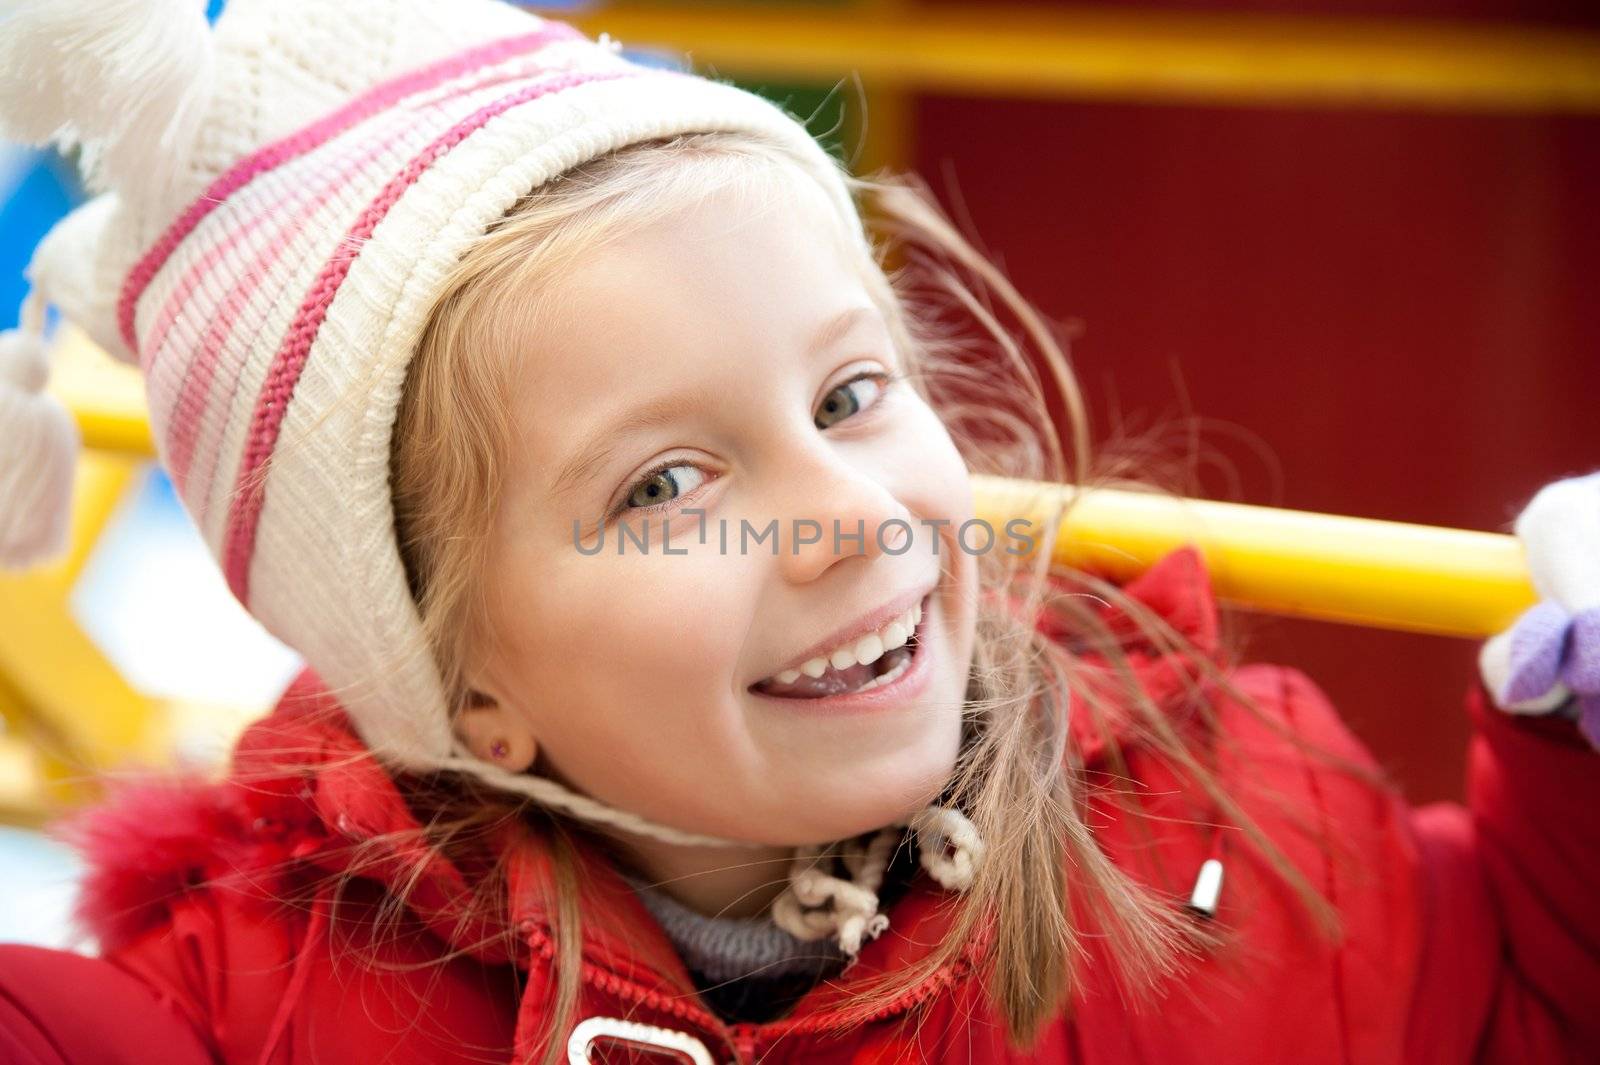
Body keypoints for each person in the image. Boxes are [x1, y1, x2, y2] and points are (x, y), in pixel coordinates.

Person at [0, 1, 1595, 1062]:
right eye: (665, 486)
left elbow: (1519, 1001)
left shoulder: (1233, 846)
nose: (847, 515)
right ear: (458, 680)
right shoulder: (255, 1016)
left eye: (847, 396)